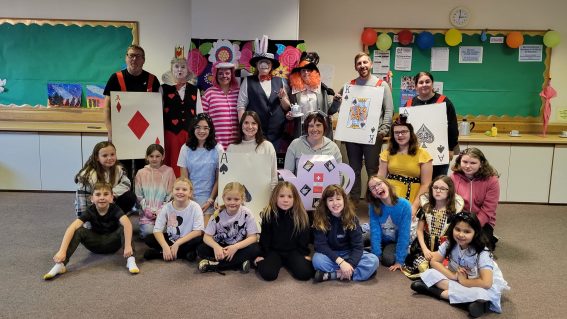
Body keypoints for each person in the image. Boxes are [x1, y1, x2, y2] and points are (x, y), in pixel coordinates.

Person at [411, 212, 509, 318]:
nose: (461, 235)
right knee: (430, 272)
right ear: (452, 229)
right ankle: (468, 303)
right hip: (456, 278)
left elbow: (486, 283)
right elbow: (434, 261)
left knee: (481, 294)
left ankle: (433, 291)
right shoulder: (450, 243)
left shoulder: (482, 251)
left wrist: (465, 281)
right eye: (457, 229)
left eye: (467, 231)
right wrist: (452, 275)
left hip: (478, 283)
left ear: (475, 233)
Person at [43, 182, 139, 280]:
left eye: (106, 194)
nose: (102, 197)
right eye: (98, 194)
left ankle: (130, 260)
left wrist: (127, 246)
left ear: (111, 198)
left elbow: (127, 224)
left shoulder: (115, 209)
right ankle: (61, 265)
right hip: (95, 244)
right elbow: (72, 227)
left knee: (124, 227)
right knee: (79, 230)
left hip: (113, 243)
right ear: (92, 199)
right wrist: (62, 251)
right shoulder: (90, 210)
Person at [335, 52, 394, 203]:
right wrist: (336, 101)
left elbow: (388, 110)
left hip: (372, 137)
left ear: (371, 64)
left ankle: (373, 201)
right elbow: (336, 109)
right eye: (359, 63)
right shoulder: (349, 86)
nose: (362, 66)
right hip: (352, 136)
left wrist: (383, 130)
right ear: (355, 67)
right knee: (353, 169)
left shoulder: (381, 85)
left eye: (365, 62)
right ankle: (353, 202)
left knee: (372, 169)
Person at [103, 45, 160, 180]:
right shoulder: (115, 78)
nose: (134, 59)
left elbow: (157, 109)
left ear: (143, 59)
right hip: (121, 133)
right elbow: (106, 108)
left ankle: (143, 199)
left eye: (138, 56)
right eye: (131, 55)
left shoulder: (153, 80)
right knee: (121, 169)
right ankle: (124, 198)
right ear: (126, 58)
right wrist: (110, 132)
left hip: (145, 134)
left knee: (145, 169)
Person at [312, 185, 379, 282]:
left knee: (373, 260)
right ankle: (356, 273)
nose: (335, 203)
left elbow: (358, 246)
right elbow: (320, 246)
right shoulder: (320, 219)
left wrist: (350, 264)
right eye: (330, 200)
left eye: (338, 199)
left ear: (344, 200)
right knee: (317, 260)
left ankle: (334, 275)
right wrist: (341, 262)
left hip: (349, 252)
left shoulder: (352, 218)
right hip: (331, 254)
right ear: (326, 203)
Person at [402, 175, 464, 279]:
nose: (438, 191)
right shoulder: (426, 208)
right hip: (424, 246)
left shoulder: (454, 212)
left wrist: (441, 252)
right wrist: (425, 250)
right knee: (422, 266)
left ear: (450, 191)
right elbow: (419, 230)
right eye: (435, 187)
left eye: (443, 188)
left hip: (445, 248)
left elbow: (455, 235)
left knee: (445, 267)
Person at [237, 39, 291, 152]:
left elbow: (286, 107)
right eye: (261, 62)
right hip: (255, 132)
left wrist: (282, 98)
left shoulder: (281, 81)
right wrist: (244, 127)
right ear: (257, 64)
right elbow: (241, 106)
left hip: (277, 133)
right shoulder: (247, 81)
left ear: (271, 65)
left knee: (273, 164)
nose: (264, 65)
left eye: (267, 62)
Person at [255, 181, 314, 281]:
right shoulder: (268, 214)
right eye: (281, 196)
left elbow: (304, 237)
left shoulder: (301, 215)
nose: (285, 200)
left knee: (305, 273)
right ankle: (259, 263)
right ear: (275, 197)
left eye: (290, 197)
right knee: (268, 274)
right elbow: (265, 237)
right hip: (274, 251)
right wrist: (263, 255)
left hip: (294, 251)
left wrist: (304, 254)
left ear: (295, 199)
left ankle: (290, 262)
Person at [197, 182, 261, 273]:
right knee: (201, 249)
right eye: (229, 199)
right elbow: (206, 237)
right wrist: (216, 247)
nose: (232, 202)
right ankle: (239, 263)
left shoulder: (246, 213)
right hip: (221, 247)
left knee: (256, 248)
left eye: (236, 199)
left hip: (238, 247)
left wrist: (235, 247)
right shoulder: (217, 214)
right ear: (223, 198)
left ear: (242, 199)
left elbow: (253, 237)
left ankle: (215, 265)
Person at [405, 72, 459, 178]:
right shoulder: (409, 104)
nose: (424, 84)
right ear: (416, 86)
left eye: (427, 81)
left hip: (440, 152)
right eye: (421, 82)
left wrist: (451, 148)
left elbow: (453, 126)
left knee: (438, 183)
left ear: (432, 84)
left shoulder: (444, 102)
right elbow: (403, 128)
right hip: (416, 153)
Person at [378, 115, 433, 217]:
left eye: (404, 132)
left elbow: (426, 184)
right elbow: (380, 179)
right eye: (397, 133)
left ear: (410, 133)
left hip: (413, 198)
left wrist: (414, 207)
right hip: (390, 196)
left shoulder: (423, 155)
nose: (400, 135)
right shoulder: (387, 153)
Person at [177, 113, 224, 225]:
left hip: (210, 198)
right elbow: (184, 179)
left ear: (210, 130)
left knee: (203, 231)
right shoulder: (185, 148)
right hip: (189, 197)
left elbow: (220, 179)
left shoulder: (218, 149)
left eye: (205, 128)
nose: (201, 131)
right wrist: (189, 198)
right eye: (198, 127)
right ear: (193, 129)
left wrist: (210, 200)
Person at [143, 177, 204, 262]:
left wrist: (178, 243)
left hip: (187, 241)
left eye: (184, 189)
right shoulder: (166, 207)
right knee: (149, 239)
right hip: (171, 239)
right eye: (177, 189)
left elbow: (198, 231)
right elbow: (157, 230)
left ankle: (161, 253)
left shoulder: (195, 207)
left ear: (190, 193)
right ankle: (182, 254)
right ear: (172, 191)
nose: (180, 192)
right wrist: (165, 246)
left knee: (200, 239)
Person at [451, 148, 500, 251]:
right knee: (449, 244)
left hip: (482, 222)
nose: (468, 166)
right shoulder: (454, 177)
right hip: (459, 219)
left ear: (481, 164)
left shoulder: (492, 181)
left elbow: (488, 210)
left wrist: (472, 227)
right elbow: (450, 203)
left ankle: (490, 237)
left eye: (473, 163)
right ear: (460, 161)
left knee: (480, 247)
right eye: (465, 162)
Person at [161, 48, 200, 177]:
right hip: (170, 134)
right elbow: (157, 114)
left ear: (187, 70)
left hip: (189, 135)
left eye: (183, 67)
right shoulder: (163, 89)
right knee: (171, 165)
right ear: (172, 69)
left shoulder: (195, 90)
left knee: (188, 165)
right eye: (176, 66)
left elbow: (199, 114)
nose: (179, 70)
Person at [75, 141, 136, 217]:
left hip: (110, 202)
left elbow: (126, 184)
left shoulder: (119, 169)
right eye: (105, 155)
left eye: (112, 154)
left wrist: (111, 195)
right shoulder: (87, 176)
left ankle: (115, 219)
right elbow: (83, 202)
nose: (109, 158)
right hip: (94, 207)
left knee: (130, 196)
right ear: (97, 157)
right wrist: (85, 223)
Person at [366, 175, 412, 271]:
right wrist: (376, 255)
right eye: (373, 188)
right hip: (381, 237)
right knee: (358, 240)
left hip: (395, 241)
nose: (377, 188)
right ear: (372, 194)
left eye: (379, 184)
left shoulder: (405, 205)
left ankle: (380, 250)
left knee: (388, 260)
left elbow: (404, 235)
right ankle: (375, 250)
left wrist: (400, 261)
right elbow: (375, 232)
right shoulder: (373, 206)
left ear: (387, 184)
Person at [288, 52, 337, 139]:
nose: (306, 72)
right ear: (299, 73)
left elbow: (330, 111)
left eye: (309, 70)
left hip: (318, 129)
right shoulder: (294, 91)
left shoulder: (322, 89)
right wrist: (289, 115)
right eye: (303, 70)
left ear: (313, 72)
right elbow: (290, 111)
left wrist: (337, 101)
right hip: (301, 129)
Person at [227, 110, 278, 190]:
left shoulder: (267, 146)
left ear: (258, 126)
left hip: (263, 197)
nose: (250, 126)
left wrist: (271, 199)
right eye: (246, 123)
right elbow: (227, 177)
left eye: (254, 123)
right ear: (241, 125)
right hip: (237, 199)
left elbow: (273, 177)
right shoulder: (232, 148)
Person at [134, 144, 176, 239]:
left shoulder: (169, 171)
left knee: (168, 231)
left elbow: (171, 194)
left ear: (163, 157)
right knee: (149, 232)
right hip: (146, 214)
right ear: (147, 157)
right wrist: (147, 210)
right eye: (151, 156)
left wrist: (161, 210)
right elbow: (139, 195)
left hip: (164, 213)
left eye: (157, 156)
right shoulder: (141, 173)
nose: (154, 159)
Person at [202, 62, 240, 150]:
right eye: (220, 73)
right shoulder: (209, 93)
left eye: (227, 73)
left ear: (232, 75)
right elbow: (203, 120)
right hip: (215, 144)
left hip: (236, 144)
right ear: (215, 75)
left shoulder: (238, 92)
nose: (224, 76)